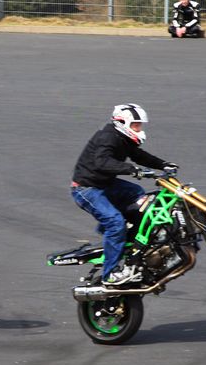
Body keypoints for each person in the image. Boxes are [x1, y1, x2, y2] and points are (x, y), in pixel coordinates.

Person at [71, 104, 177, 287]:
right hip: (86, 189)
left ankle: (126, 239)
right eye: (136, 124)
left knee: (137, 194)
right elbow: (102, 162)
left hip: (105, 184)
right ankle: (109, 273)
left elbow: (139, 156)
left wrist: (163, 164)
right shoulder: (108, 137)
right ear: (122, 122)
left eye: (140, 125)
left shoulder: (123, 138)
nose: (139, 128)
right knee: (115, 222)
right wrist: (132, 170)